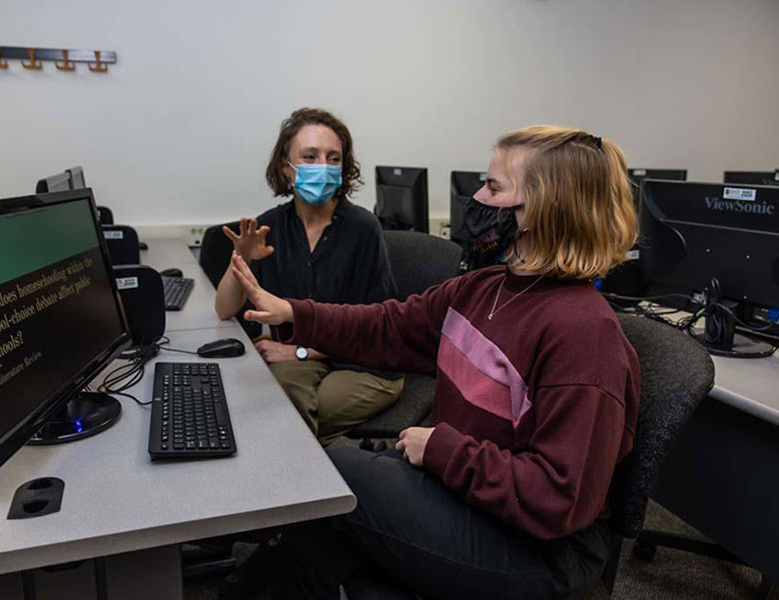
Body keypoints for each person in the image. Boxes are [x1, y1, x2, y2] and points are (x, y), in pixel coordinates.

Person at [228, 125, 641, 599]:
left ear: (545, 209)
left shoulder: (583, 333)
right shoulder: (485, 288)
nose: (477, 197)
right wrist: (294, 313)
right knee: (328, 520)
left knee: (343, 473)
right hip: (472, 503)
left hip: (539, 551)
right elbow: (388, 326)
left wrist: (444, 451)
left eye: (493, 187)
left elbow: (559, 497)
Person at [214, 107, 403, 446]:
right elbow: (224, 310)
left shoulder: (363, 228)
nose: (323, 167)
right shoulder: (269, 225)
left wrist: (300, 352)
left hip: (365, 361)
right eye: (310, 157)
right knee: (272, 405)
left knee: (280, 416)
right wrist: (240, 258)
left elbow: (375, 326)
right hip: (303, 357)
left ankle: (315, 481)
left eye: (333, 159)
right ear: (286, 169)